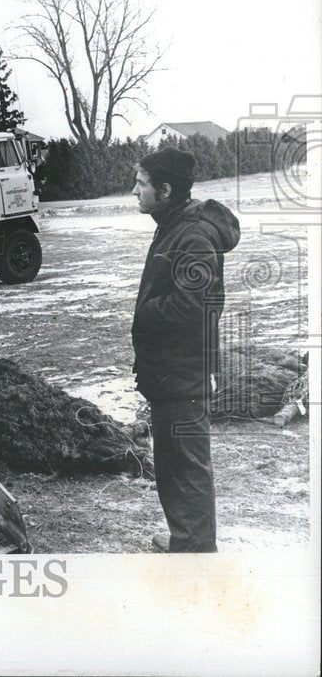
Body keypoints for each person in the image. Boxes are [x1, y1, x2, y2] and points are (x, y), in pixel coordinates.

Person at [131, 147, 240, 553]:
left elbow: (193, 307)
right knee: (173, 464)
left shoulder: (193, 235)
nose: (134, 191)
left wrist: (145, 314)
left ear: (165, 189)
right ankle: (185, 538)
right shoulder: (172, 222)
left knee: (187, 467)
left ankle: (196, 553)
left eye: (141, 184)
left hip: (185, 372)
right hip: (170, 372)